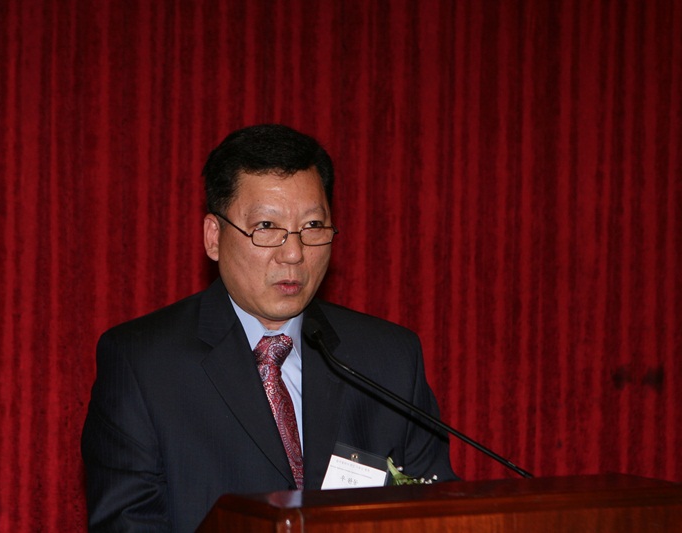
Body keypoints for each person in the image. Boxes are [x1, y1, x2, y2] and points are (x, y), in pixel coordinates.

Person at [81, 124, 456, 532]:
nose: (293, 253)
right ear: (213, 237)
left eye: (312, 226)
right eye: (266, 227)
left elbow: (435, 515)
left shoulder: (390, 360)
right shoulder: (143, 365)